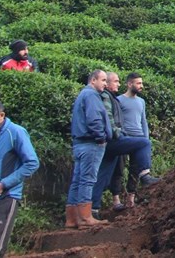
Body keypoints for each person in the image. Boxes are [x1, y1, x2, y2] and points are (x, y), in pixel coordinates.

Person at [90, 73, 158, 220]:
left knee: (103, 175)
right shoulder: (109, 98)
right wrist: (118, 134)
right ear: (106, 83)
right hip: (115, 140)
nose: (118, 84)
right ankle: (144, 176)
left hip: (115, 139)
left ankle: (94, 209)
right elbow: (108, 119)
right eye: (115, 81)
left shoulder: (115, 98)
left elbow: (143, 121)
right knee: (117, 171)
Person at [66, 70, 111, 228]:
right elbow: (93, 118)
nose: (106, 84)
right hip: (91, 143)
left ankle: (72, 219)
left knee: (77, 181)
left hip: (79, 143)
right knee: (87, 179)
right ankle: (85, 218)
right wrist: (101, 137)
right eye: (103, 80)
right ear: (93, 80)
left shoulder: (82, 94)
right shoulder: (91, 95)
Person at [0, 102, 39, 257]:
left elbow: (32, 163)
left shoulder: (15, 132)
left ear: (2, 115)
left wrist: (4, 184)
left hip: (7, 196)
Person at [112, 73, 152, 209]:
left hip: (139, 139)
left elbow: (143, 121)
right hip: (125, 138)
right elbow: (117, 121)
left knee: (135, 169)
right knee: (119, 168)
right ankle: (116, 200)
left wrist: (145, 138)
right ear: (130, 84)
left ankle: (131, 199)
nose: (141, 86)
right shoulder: (119, 100)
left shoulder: (141, 102)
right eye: (138, 83)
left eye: (141, 83)